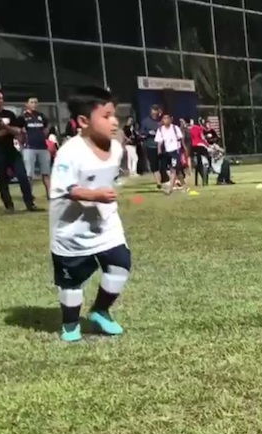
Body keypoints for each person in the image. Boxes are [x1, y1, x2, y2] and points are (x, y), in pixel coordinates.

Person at [49, 86, 131, 343]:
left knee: (120, 265)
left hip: (105, 224)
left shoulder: (116, 149)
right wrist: (95, 195)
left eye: (114, 115)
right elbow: (66, 189)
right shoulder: (69, 152)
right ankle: (71, 323)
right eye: (106, 116)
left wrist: (104, 199)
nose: (114, 121)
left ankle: (100, 311)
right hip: (72, 230)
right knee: (72, 285)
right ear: (83, 121)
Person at [0, 88, 41, 213]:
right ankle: (9, 206)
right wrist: (7, 130)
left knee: (23, 176)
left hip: (11, 150)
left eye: (0, 98)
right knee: (2, 179)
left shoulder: (9, 114)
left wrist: (4, 127)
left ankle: (30, 203)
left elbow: (18, 131)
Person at [20, 96, 52, 199]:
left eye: (35, 102)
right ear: (27, 104)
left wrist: (43, 135)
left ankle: (50, 194)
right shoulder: (23, 117)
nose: (34, 104)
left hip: (42, 147)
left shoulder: (41, 116)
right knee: (29, 174)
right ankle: (29, 195)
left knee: (46, 173)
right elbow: (19, 131)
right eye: (32, 102)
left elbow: (46, 127)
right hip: (29, 147)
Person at [154, 114, 185, 194]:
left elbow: (181, 139)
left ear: (170, 120)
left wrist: (183, 149)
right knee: (176, 170)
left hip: (175, 150)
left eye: (167, 118)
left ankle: (170, 189)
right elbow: (159, 141)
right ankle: (183, 185)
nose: (166, 120)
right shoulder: (160, 130)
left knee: (173, 169)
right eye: (164, 118)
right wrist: (159, 150)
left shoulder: (175, 128)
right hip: (167, 152)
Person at [139, 105, 162, 180]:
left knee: (163, 165)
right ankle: (159, 182)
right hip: (150, 145)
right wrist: (148, 133)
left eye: (156, 112)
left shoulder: (161, 121)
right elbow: (141, 133)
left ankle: (163, 179)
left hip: (162, 146)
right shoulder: (146, 121)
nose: (154, 114)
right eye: (153, 112)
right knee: (154, 165)